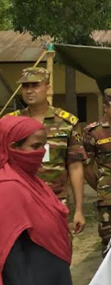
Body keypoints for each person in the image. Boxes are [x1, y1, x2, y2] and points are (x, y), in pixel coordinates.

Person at [7, 67, 86, 235]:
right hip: (19, 200)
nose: (29, 91)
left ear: (48, 88)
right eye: (25, 86)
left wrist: (79, 209)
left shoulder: (67, 122)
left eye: (35, 85)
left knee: (56, 251)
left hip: (55, 200)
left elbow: (75, 166)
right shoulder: (11, 123)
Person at [0, 115, 73, 285]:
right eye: (35, 146)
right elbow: (11, 252)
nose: (41, 153)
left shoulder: (32, 181)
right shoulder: (8, 187)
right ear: (12, 147)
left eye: (43, 146)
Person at [83, 87, 111, 256]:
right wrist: (102, 189)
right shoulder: (94, 132)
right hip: (109, 198)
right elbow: (87, 167)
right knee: (109, 244)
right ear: (106, 107)